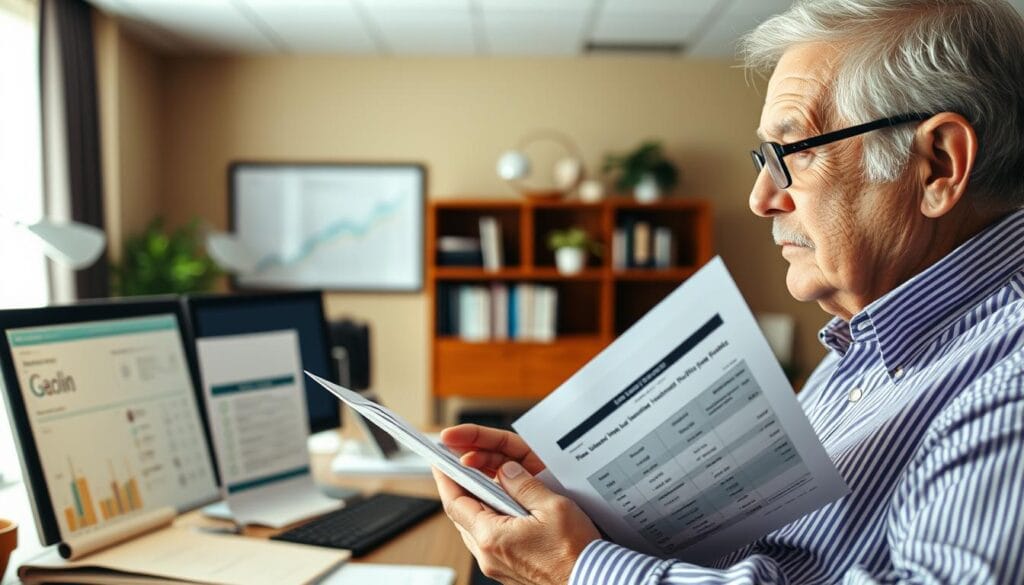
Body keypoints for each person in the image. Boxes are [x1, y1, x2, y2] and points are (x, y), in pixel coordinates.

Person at [431, 0, 1024, 583]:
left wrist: (581, 568)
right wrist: (589, 504)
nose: (761, 197)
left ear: (939, 166)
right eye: (764, 158)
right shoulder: (862, 348)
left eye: (797, 152)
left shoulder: (1011, 379)